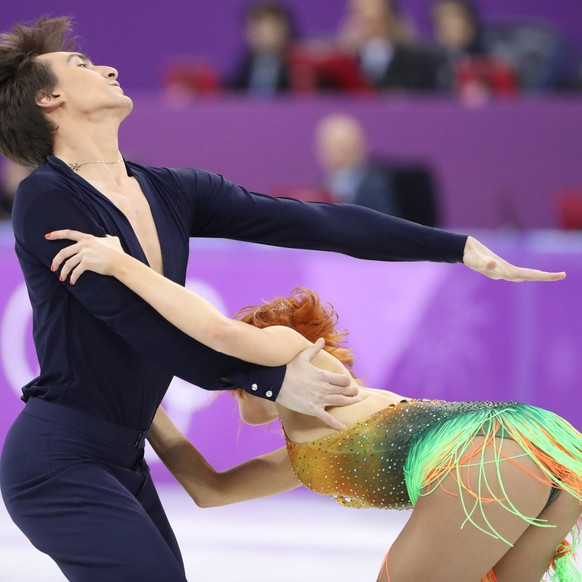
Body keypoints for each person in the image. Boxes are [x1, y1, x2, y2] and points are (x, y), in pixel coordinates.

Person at [0, 16, 567, 581]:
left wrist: (454, 246)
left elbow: (316, 222)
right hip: (60, 453)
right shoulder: (46, 198)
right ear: (49, 98)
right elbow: (138, 325)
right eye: (81, 66)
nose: (108, 68)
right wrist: (266, 379)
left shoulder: (172, 189)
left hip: (123, 455)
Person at [46, 232, 582, 582]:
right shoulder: (307, 452)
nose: (229, 395)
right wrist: (138, 398)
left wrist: (120, 265)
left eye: (232, 383)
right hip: (531, 456)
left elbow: (214, 330)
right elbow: (209, 491)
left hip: (485, 453)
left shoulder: (295, 355)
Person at [315, 113, 439, 225]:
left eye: (342, 145)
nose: (336, 151)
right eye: (329, 145)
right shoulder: (320, 185)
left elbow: (388, 223)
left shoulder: (377, 183)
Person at [229, 1, 296, 95]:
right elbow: (234, 93)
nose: (255, 32)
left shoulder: (295, 64)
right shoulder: (247, 62)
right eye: (252, 26)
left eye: (263, 27)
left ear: (282, 28)